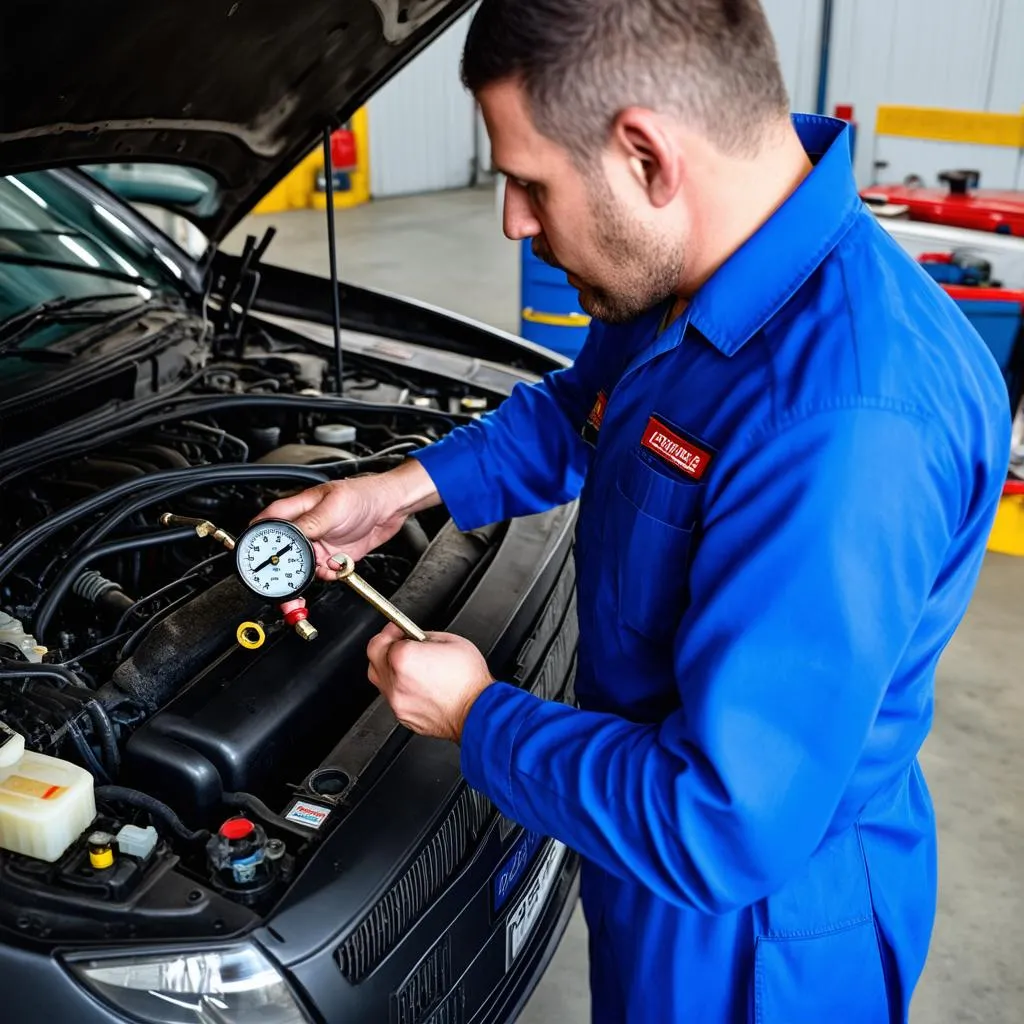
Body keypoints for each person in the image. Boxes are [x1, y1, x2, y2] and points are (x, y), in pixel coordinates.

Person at [255, 1, 1011, 1020]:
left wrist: (478, 716)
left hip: (755, 948)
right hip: (643, 851)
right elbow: (585, 411)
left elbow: (721, 826)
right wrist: (402, 489)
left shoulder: (845, 426)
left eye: (529, 182)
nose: (514, 221)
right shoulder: (697, 260)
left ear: (647, 157)